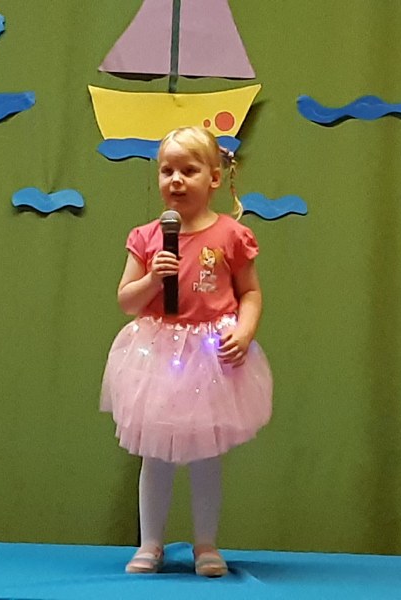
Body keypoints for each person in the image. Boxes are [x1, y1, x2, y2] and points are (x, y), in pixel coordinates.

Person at [100, 126, 272, 577]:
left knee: (205, 455)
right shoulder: (147, 237)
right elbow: (127, 301)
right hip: (158, 354)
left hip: (211, 356)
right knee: (155, 454)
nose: (175, 180)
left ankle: (206, 545)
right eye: (167, 171)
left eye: (188, 170)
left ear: (213, 178)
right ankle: (150, 544)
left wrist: (245, 331)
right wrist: (153, 279)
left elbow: (250, 292)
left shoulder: (232, 234)